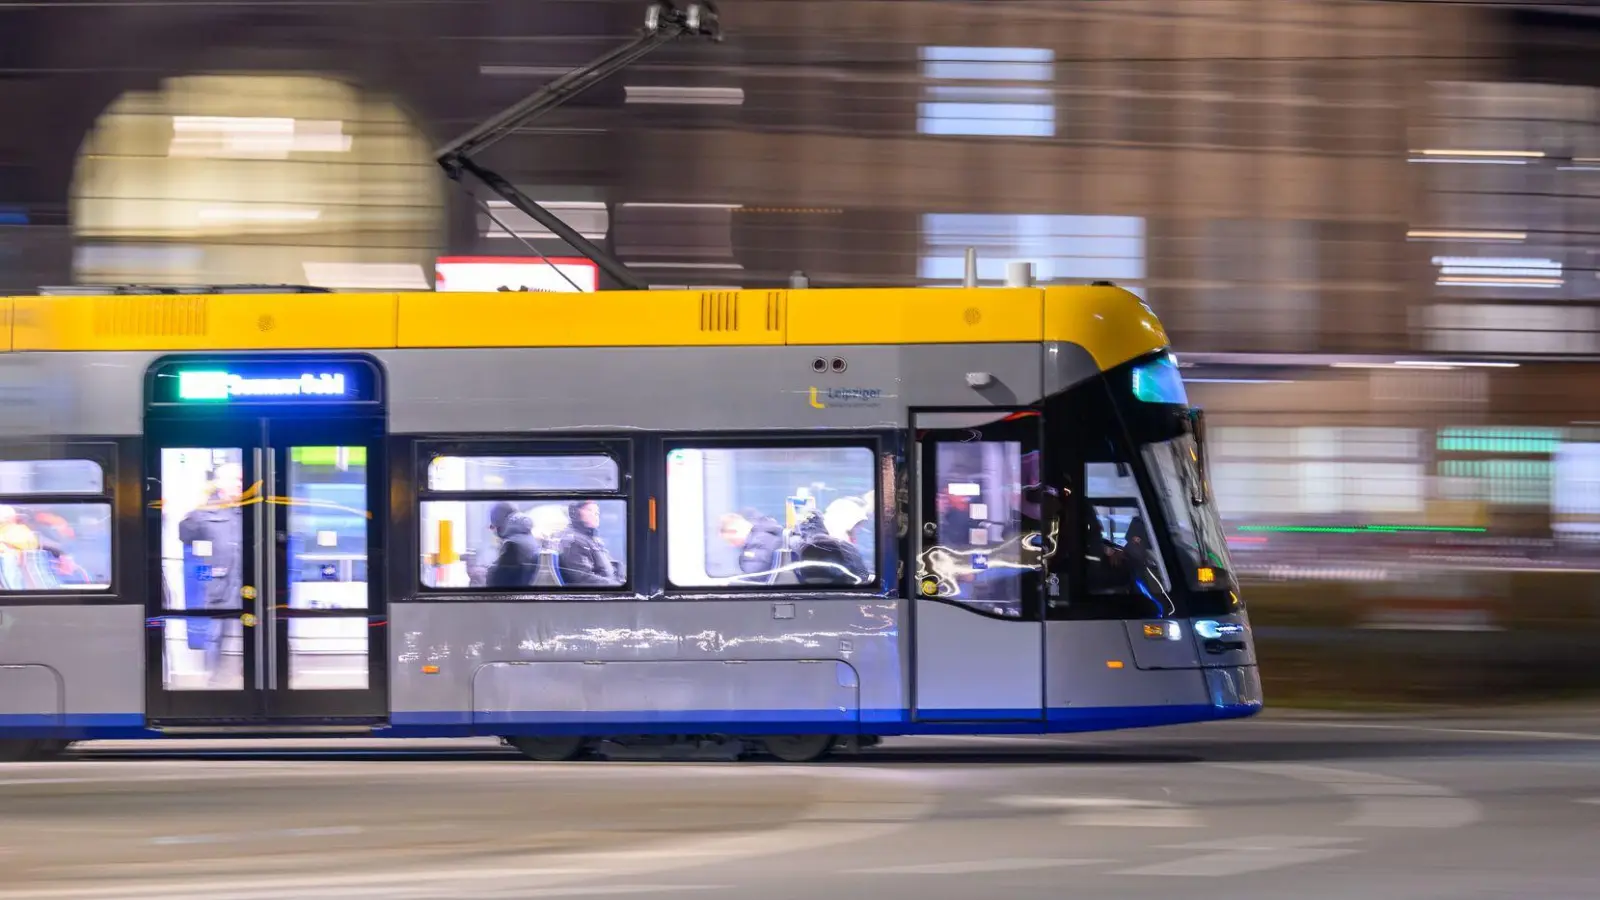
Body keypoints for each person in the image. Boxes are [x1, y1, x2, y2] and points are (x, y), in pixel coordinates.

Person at [557, 500, 622, 586]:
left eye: (597, 512)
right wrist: (616, 585)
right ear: (575, 513)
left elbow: (603, 566)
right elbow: (583, 579)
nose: (596, 515)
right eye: (590, 510)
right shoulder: (573, 541)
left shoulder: (590, 538)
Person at [485, 501, 538, 588]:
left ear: (499, 523)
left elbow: (497, 582)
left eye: (493, 526)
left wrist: (489, 571)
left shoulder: (512, 545)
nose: (493, 531)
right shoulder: (526, 537)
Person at [717, 509, 786, 576]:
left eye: (730, 541)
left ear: (734, 531)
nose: (731, 545)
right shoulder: (756, 539)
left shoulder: (758, 545)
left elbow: (753, 578)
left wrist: (730, 584)